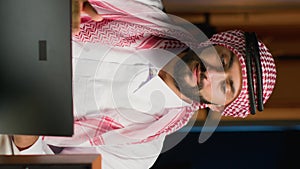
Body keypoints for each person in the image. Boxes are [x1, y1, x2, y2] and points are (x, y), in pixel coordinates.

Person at [1, 0, 276, 169]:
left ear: (219, 105)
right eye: (223, 60)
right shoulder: (143, 6)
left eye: (225, 87)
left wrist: (27, 134)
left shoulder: (139, 153)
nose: (211, 75)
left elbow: (40, 165)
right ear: (214, 44)